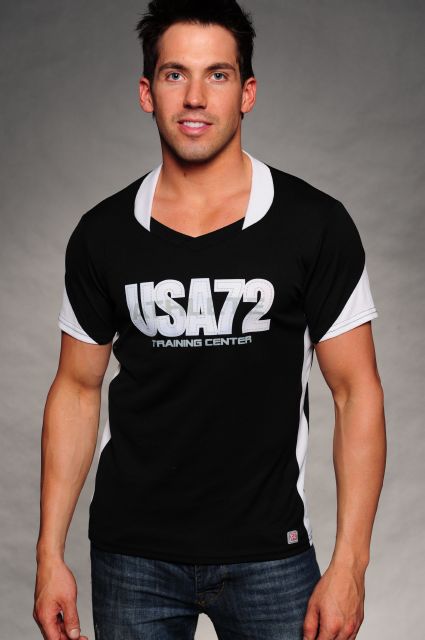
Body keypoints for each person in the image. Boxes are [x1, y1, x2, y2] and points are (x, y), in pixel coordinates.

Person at [33, 1, 386, 639]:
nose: (195, 97)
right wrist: (48, 554)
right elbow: (77, 389)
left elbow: (356, 392)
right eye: (175, 74)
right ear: (147, 92)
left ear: (247, 92)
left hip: (271, 554)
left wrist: (351, 565)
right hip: (132, 556)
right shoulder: (102, 234)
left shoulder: (315, 224)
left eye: (217, 75)